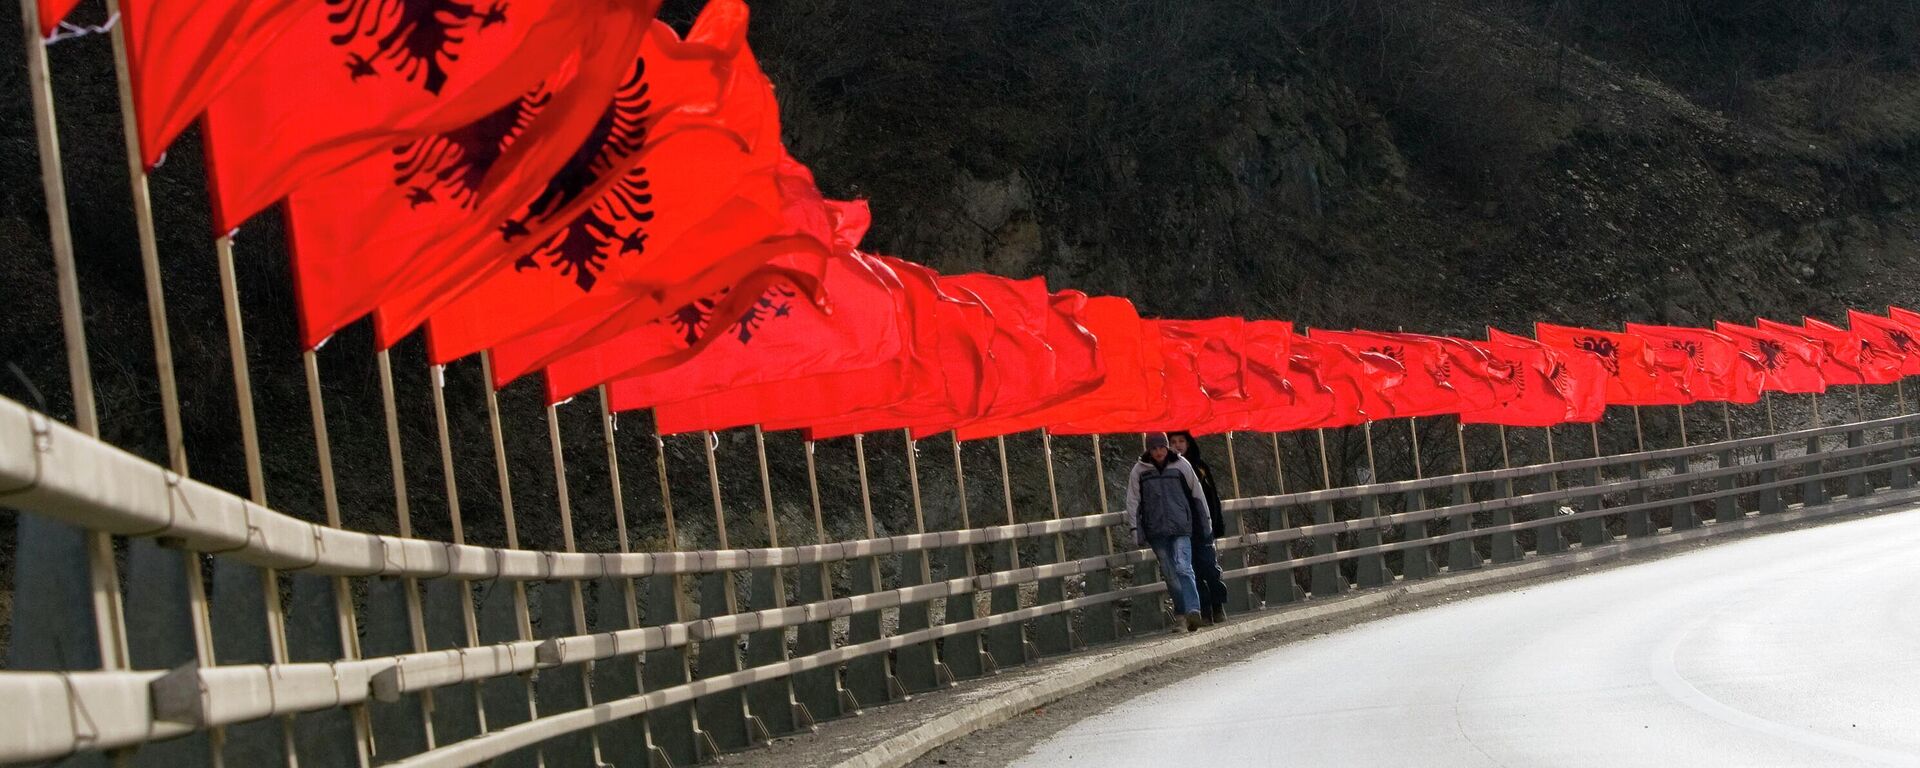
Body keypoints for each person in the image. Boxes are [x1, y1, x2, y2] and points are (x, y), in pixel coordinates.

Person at [1125, 432, 1213, 633]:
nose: (1158, 452)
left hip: (1181, 526)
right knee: (1170, 574)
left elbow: (1197, 494)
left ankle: (1193, 610)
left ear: (1167, 447)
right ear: (1149, 449)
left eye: (1161, 447)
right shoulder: (1139, 471)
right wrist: (1134, 529)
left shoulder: (1181, 465)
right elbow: (1133, 502)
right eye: (1154, 448)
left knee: (1184, 567)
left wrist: (1205, 521)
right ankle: (1181, 615)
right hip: (1156, 530)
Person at [1169, 431, 1229, 625]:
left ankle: (1218, 604)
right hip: (1181, 528)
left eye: (1181, 441)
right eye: (1173, 442)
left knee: (1209, 567)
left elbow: (1212, 498)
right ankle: (1204, 610)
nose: (1178, 445)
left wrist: (1216, 523)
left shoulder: (1200, 467)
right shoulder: (1167, 469)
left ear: (1188, 443)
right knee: (1192, 570)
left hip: (1203, 524)